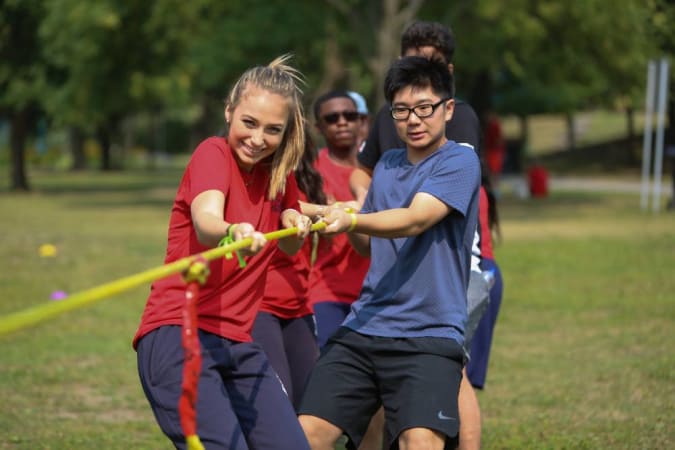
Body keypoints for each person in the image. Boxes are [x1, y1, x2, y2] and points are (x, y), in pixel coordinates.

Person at [298, 56, 480, 450]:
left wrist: (353, 220)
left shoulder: (460, 161)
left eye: (424, 108)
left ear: (448, 109)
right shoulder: (387, 164)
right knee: (306, 435)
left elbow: (415, 219)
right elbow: (368, 242)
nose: (413, 120)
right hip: (365, 327)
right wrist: (334, 218)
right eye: (401, 111)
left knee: (420, 442)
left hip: (429, 334)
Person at [133, 55, 313, 450]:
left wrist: (294, 222)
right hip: (180, 335)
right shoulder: (213, 152)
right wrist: (232, 229)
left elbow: (290, 243)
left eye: (272, 130)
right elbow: (207, 219)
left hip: (239, 343)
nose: (257, 138)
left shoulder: (279, 175)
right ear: (229, 112)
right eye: (249, 123)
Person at [348, 20, 484, 450]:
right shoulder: (394, 118)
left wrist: (359, 218)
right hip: (399, 266)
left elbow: (422, 211)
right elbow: (364, 170)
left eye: (432, 64)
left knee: (449, 371)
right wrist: (363, 205)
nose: (414, 116)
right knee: (386, 382)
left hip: (453, 268)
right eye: (412, 62)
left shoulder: (457, 121)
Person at [251, 128, 326, 410]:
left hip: (299, 305)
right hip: (261, 305)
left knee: (308, 407)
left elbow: (292, 242)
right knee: (276, 404)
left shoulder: (296, 179)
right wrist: (322, 210)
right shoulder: (257, 175)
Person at [308, 90, 371, 349]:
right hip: (327, 292)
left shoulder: (382, 168)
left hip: (377, 294)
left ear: (362, 121)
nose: (342, 122)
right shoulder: (312, 172)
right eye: (332, 118)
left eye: (349, 115)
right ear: (319, 127)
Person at [466, 161, 504, 390]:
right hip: (486, 271)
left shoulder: (465, 187)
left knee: (460, 378)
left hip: (479, 273)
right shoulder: (478, 185)